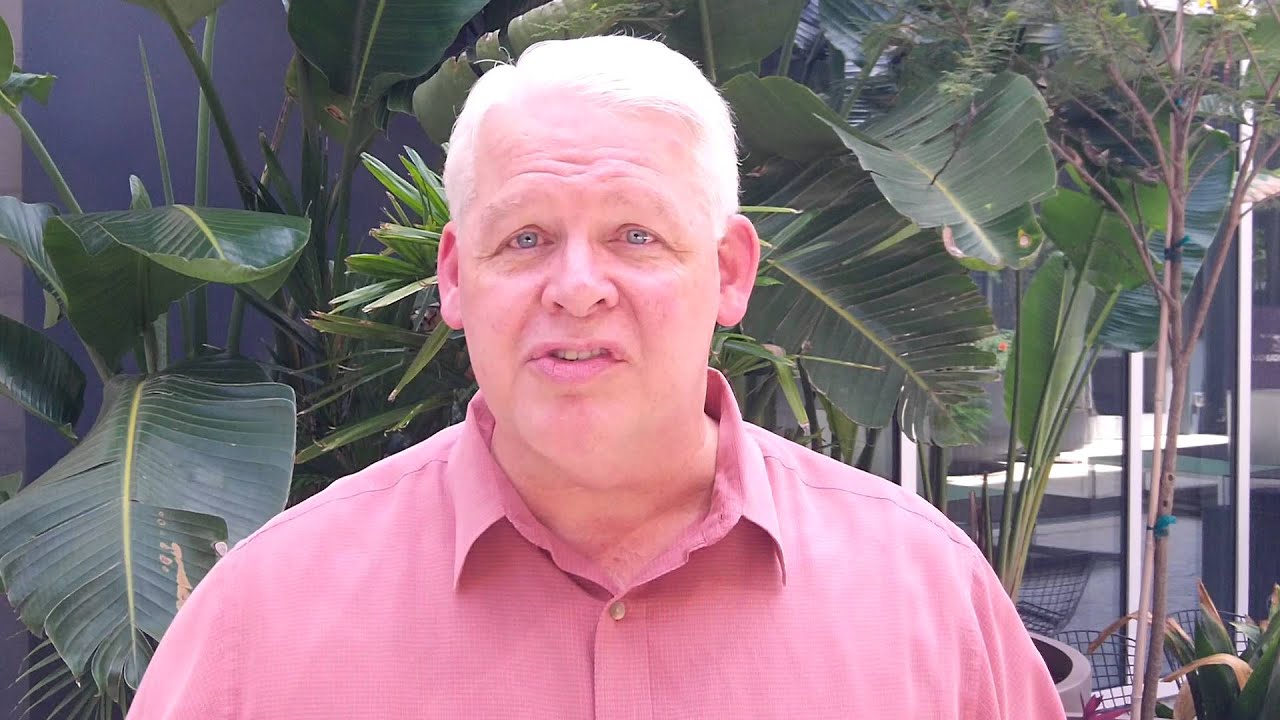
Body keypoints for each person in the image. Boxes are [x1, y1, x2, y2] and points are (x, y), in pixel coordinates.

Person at [128, 34, 1066, 719]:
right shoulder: (267, 618)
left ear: (730, 272)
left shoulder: (923, 595)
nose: (577, 288)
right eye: (526, 237)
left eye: (636, 235)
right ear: (455, 276)